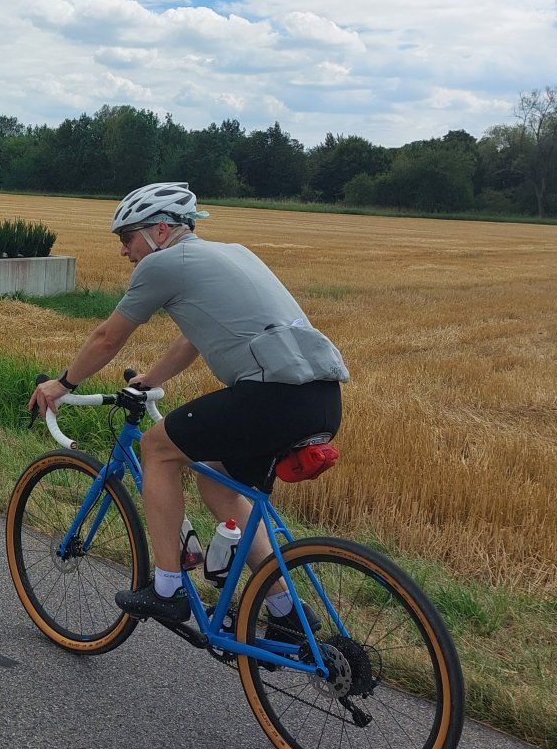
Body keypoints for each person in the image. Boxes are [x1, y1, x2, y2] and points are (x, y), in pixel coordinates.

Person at [28, 182, 349, 629]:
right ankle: (285, 611)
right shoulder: (233, 253)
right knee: (218, 482)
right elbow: (192, 337)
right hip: (322, 399)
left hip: (272, 396)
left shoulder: (163, 264)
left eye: (127, 238)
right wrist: (151, 380)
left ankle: (167, 590)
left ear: (160, 230)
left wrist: (62, 384)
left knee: (157, 449)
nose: (123, 250)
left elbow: (107, 338)